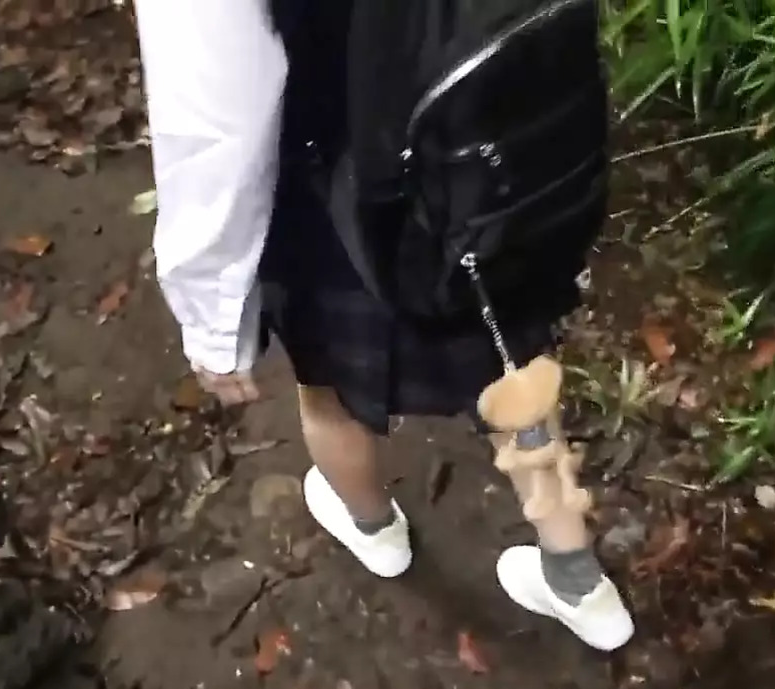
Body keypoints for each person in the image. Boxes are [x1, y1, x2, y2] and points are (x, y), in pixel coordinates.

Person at [134, 0, 633, 651]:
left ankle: (373, 529)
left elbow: (215, 112)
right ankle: (578, 582)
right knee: (508, 360)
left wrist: (210, 315)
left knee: (329, 385)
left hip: (336, 181)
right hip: (478, 159)